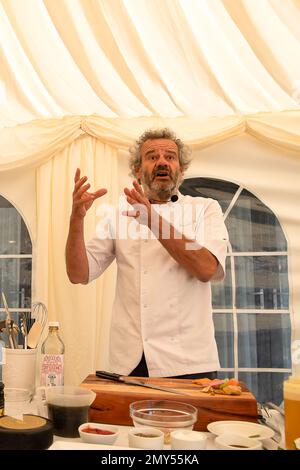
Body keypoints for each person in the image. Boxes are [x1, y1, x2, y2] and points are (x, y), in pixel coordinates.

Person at [66, 128, 228, 379]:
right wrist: (76, 218)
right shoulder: (118, 215)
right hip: (129, 361)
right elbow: (78, 273)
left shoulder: (204, 210)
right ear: (137, 169)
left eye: (170, 157)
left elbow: (206, 268)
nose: (162, 161)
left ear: (181, 169)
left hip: (188, 362)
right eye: (152, 156)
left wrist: (151, 219)